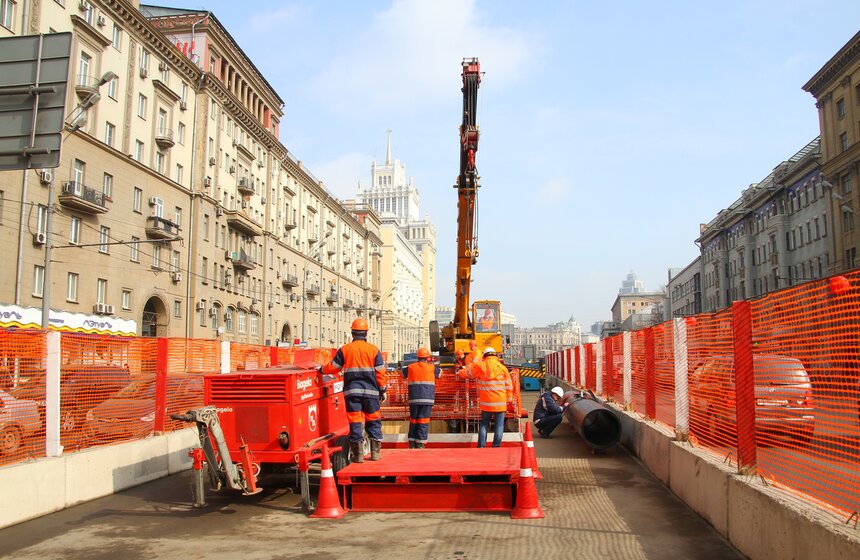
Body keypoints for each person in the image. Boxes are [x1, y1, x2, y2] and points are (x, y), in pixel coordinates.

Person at [321, 317, 387, 462]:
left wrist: (321, 370)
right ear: (366, 333)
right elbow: (380, 373)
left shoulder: (345, 349)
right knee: (373, 420)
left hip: (352, 393)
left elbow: (334, 367)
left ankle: (358, 455)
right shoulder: (374, 350)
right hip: (371, 394)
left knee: (355, 421)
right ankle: (375, 453)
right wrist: (383, 390)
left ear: (352, 333)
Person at [458, 347, 514, 448]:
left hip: (486, 402)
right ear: (495, 355)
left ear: (485, 355)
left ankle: (481, 445)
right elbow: (509, 386)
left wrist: (460, 373)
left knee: (484, 423)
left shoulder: (480, 366)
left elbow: (468, 373)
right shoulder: (503, 368)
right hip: (500, 402)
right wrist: (509, 399)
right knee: (499, 425)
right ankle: (496, 446)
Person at [403, 347, 441, 449]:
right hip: (427, 398)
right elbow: (440, 374)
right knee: (423, 421)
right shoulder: (432, 367)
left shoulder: (411, 367)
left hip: (414, 398)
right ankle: (420, 443)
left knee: (413, 420)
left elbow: (403, 373)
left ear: (417, 357)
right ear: (427, 358)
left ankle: (412, 442)